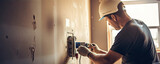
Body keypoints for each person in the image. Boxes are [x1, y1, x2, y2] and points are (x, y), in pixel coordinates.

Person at [77, 0, 160, 64]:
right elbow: (120, 55)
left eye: (107, 20)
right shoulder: (140, 24)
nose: (109, 24)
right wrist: (98, 51)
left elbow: (107, 61)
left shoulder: (127, 32)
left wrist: (88, 54)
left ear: (113, 17)